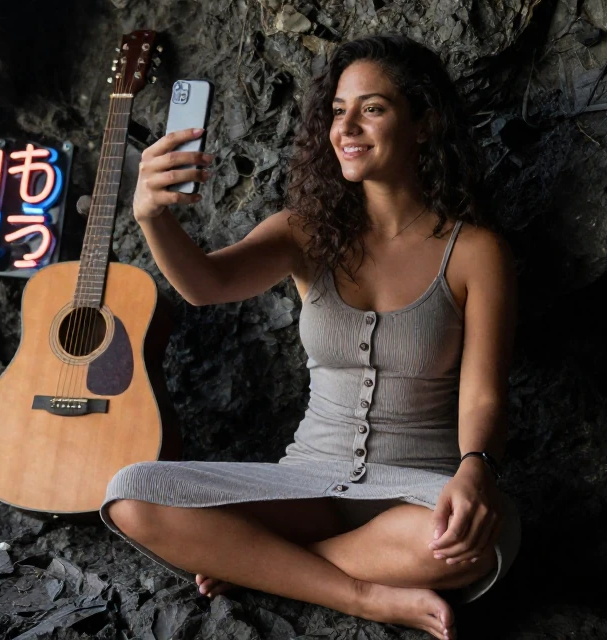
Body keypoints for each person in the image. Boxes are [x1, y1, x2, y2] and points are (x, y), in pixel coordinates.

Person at [100, 34, 519, 640]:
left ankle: (262, 564)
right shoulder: (303, 233)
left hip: (418, 491)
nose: (346, 126)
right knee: (131, 495)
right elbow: (205, 284)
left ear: (424, 124)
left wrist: (475, 470)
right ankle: (362, 595)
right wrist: (151, 216)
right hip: (303, 484)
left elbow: (483, 396)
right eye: (337, 110)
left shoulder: (476, 252)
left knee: (475, 543)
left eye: (372, 108)